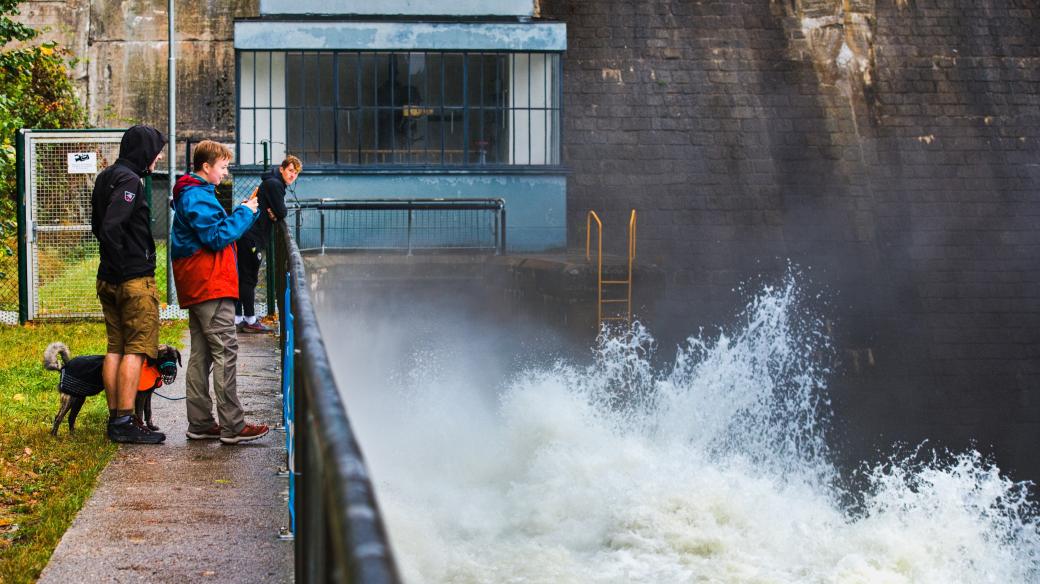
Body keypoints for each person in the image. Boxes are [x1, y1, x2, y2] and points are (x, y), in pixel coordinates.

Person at [170, 140, 269, 444]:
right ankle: (233, 426)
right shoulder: (197, 196)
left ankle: (200, 423)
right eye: (223, 167)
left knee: (202, 354)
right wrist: (246, 211)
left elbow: (213, 232)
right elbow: (216, 236)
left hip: (203, 284)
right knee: (225, 351)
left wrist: (242, 212)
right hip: (209, 284)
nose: (226, 174)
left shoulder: (194, 194)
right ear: (206, 167)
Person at [91, 125, 167, 444]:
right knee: (135, 350)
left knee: (115, 348)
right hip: (132, 279)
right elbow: (111, 227)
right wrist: (126, 266)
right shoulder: (130, 181)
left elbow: (97, 226)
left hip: (107, 277)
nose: (158, 156)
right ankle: (125, 420)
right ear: (144, 152)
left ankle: (116, 418)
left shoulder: (105, 176)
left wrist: (113, 266)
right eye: (156, 150)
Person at [234, 155, 301, 333]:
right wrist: (277, 213)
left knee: (243, 277)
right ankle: (249, 320)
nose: (293, 176)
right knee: (249, 278)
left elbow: (278, 212)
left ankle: (238, 318)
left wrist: (276, 213)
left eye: (296, 173)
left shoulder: (273, 183)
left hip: (249, 234)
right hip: (252, 237)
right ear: (282, 169)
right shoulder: (275, 185)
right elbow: (282, 211)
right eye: (290, 171)